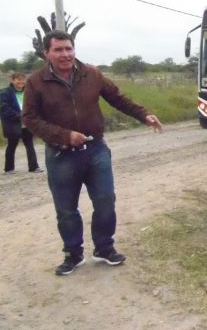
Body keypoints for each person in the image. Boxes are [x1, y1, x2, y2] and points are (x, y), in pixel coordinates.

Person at [23, 31, 163, 276]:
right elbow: (30, 119)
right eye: (58, 50)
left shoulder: (92, 74)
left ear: (74, 49)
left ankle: (104, 248)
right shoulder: (36, 82)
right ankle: (73, 253)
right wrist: (64, 135)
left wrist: (144, 115)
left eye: (68, 48)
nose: (65, 54)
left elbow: (118, 99)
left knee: (105, 200)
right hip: (61, 155)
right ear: (47, 53)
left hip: (96, 150)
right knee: (66, 209)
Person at [1, 73, 42, 174]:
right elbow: (3, 107)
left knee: (29, 144)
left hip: (27, 123)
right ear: (12, 80)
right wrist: (18, 115)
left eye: (23, 80)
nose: (21, 82)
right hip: (13, 123)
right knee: (12, 145)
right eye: (18, 80)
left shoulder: (28, 92)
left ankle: (34, 167)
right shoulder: (5, 93)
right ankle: (9, 169)